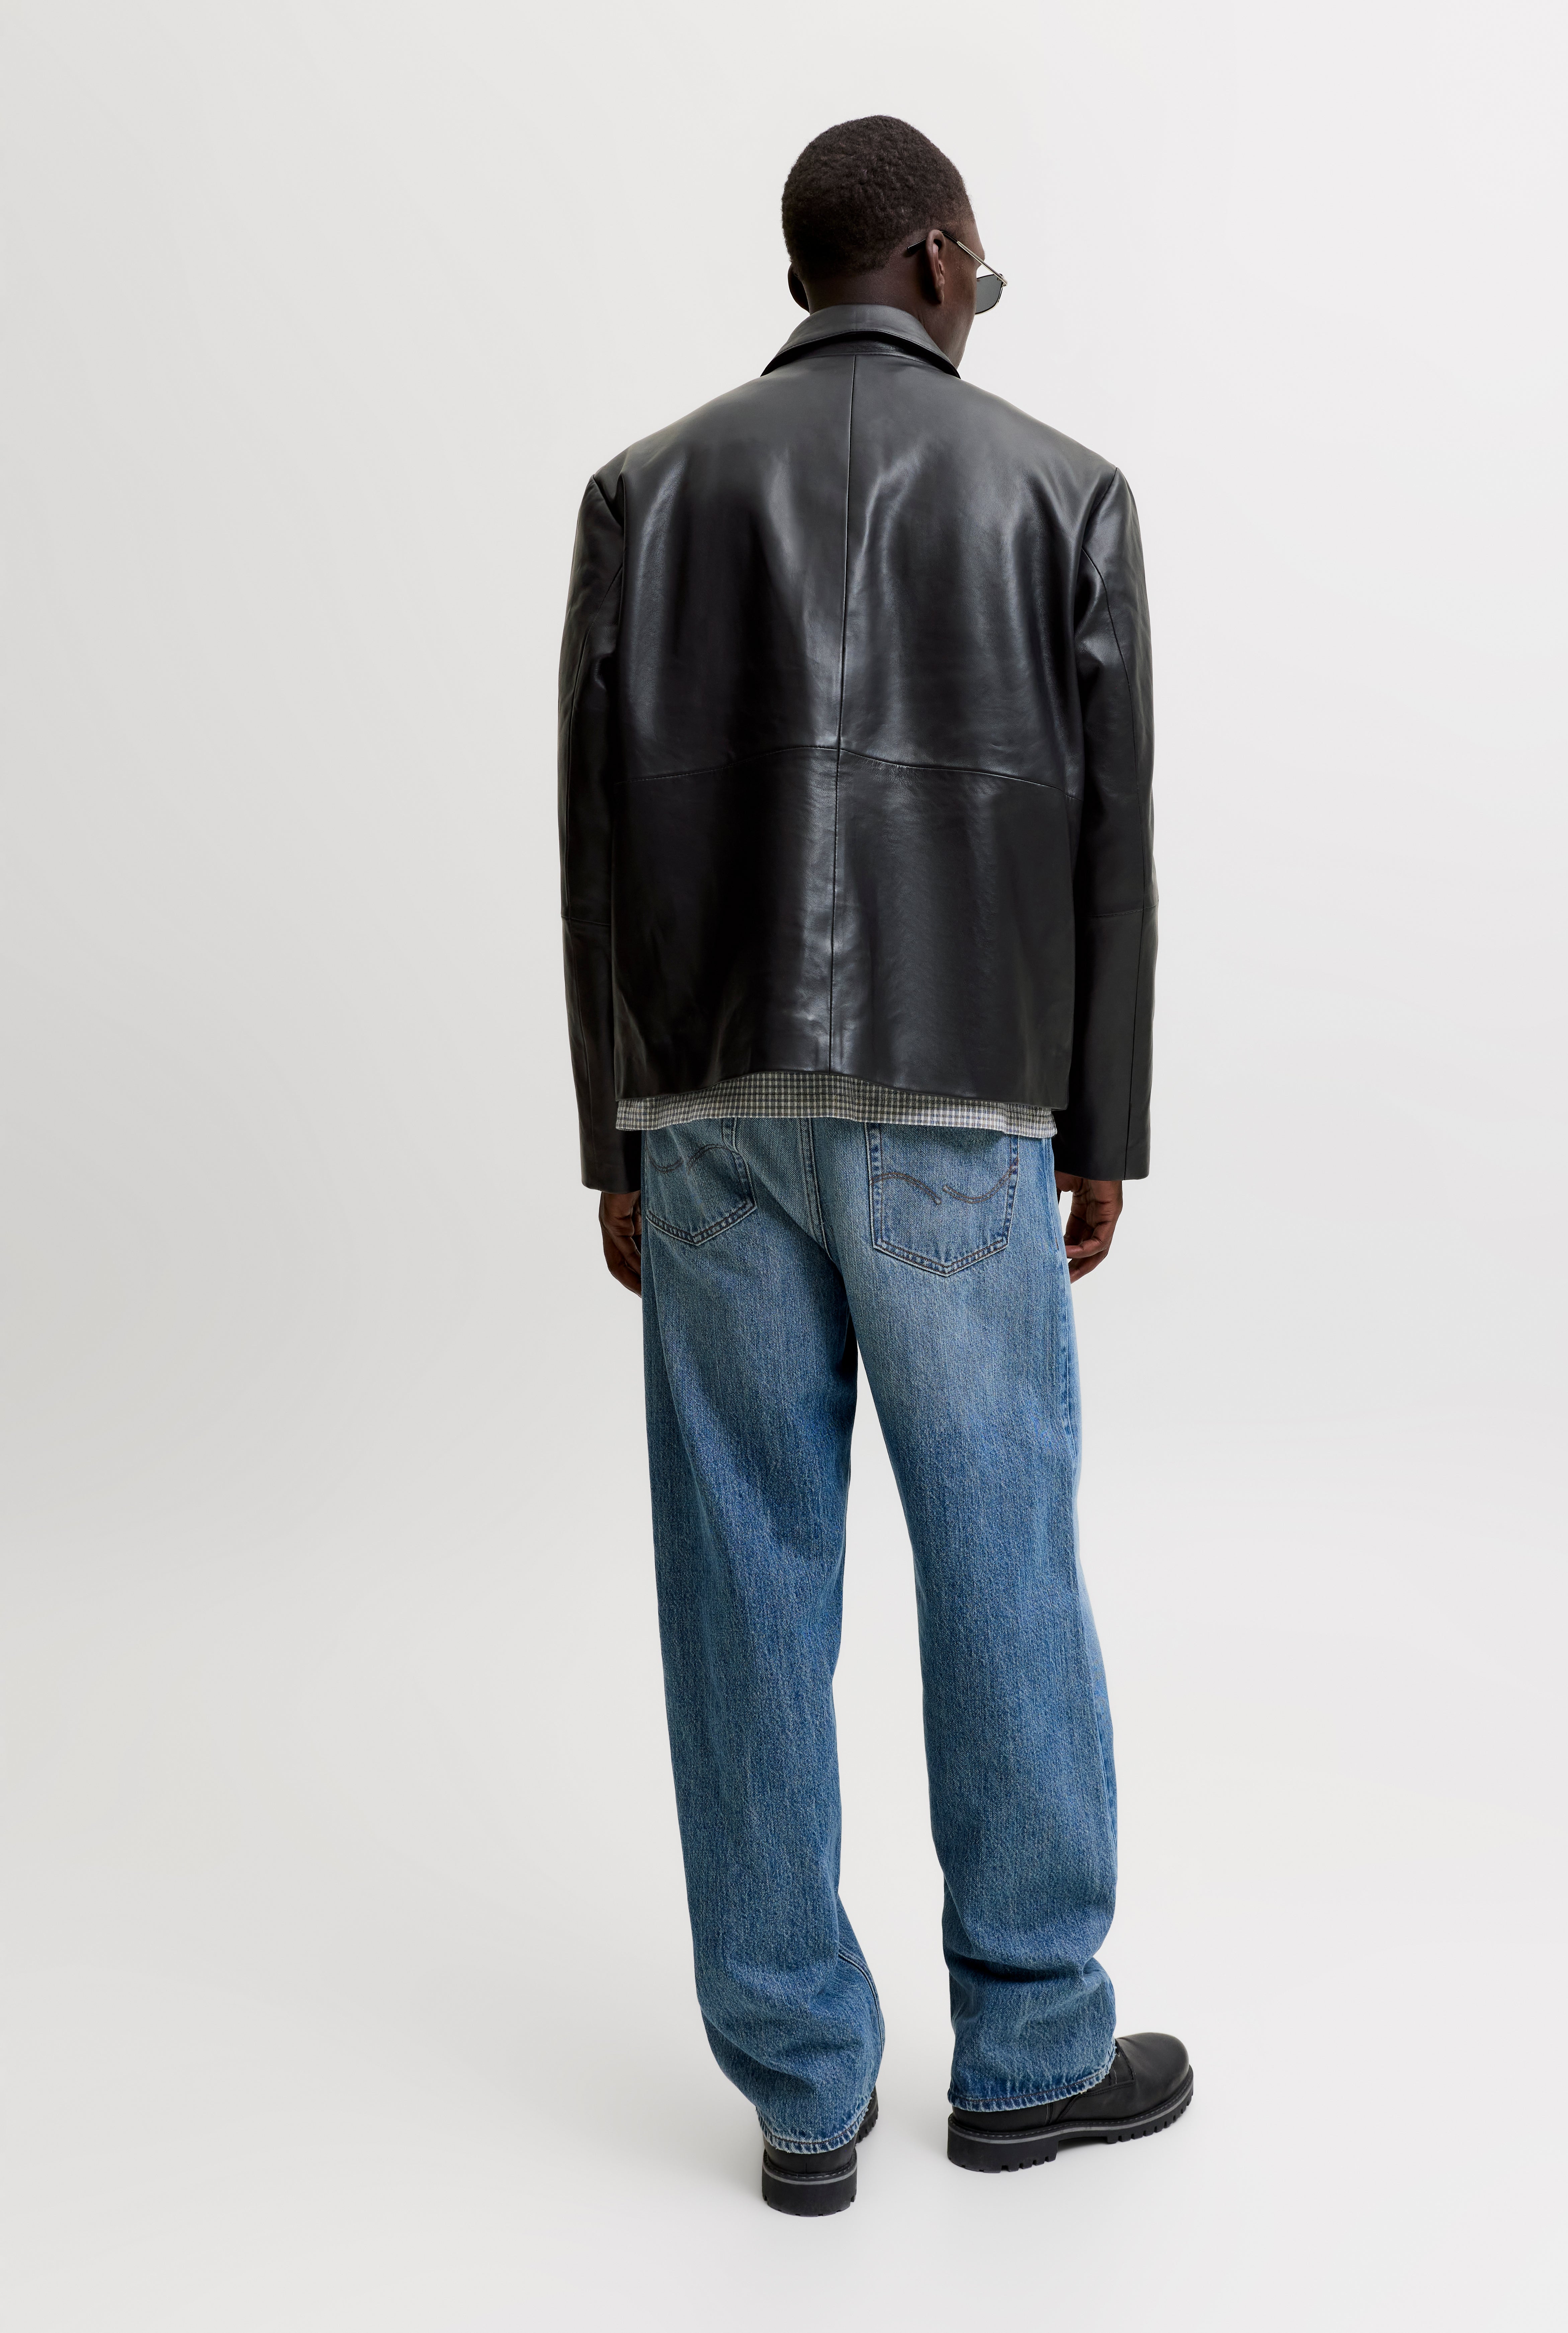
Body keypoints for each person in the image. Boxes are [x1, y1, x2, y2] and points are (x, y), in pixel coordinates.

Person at [558, 114, 1190, 2215]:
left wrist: (615, 1128)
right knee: (1002, 1561)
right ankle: (1031, 2048)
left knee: (742, 1580)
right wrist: (1103, 1126)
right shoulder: (1065, 491)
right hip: (961, 1107)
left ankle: (803, 2094)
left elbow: (591, 847)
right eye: (977, 269)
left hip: (711, 1112)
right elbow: (1113, 851)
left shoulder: (645, 493)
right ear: (933, 259)